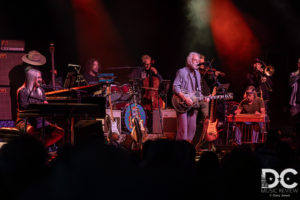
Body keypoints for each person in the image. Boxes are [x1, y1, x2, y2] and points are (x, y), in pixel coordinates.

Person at [15, 68, 64, 147]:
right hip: (25, 121)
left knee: (59, 132)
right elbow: (25, 107)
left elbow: (44, 104)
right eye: (38, 78)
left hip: (40, 120)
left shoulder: (41, 90)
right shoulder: (22, 91)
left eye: (40, 77)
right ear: (31, 78)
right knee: (32, 132)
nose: (40, 80)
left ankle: (40, 147)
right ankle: (38, 148)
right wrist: (41, 104)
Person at [173, 52, 209, 142]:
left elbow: (198, 92)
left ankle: (187, 150)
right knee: (183, 131)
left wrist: (203, 98)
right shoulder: (182, 72)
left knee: (192, 130)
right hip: (182, 104)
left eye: (198, 61)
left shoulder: (197, 74)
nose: (197, 63)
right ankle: (179, 151)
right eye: (195, 60)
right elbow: (175, 86)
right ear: (189, 61)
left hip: (193, 105)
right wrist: (185, 98)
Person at [289, 58, 300, 142]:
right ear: (298, 64)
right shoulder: (293, 74)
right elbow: (291, 83)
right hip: (295, 103)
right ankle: (294, 140)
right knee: (294, 123)